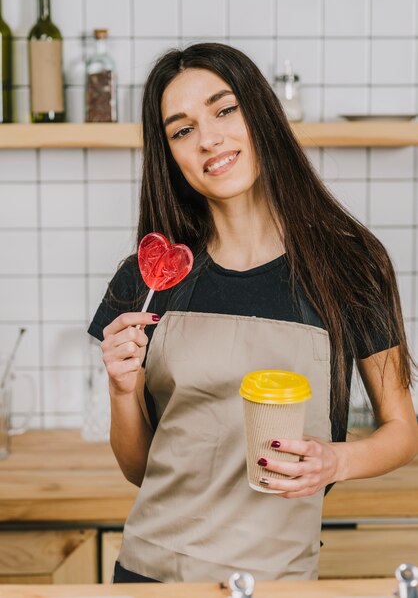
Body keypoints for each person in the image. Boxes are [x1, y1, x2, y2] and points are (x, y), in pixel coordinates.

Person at [88, 42, 418, 583]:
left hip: (278, 580)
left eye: (224, 110)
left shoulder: (350, 263)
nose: (209, 139)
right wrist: (122, 391)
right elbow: (140, 469)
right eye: (182, 130)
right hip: (151, 574)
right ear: (169, 154)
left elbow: (402, 429)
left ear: (260, 113)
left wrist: (336, 460)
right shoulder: (149, 279)